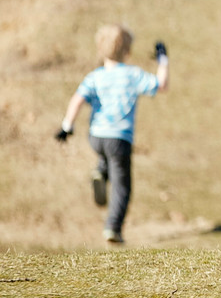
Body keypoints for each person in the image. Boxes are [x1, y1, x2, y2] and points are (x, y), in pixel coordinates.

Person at [54, 24, 170, 244]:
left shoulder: (95, 77)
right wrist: (163, 60)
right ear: (127, 50)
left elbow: (77, 99)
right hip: (120, 137)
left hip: (96, 136)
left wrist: (67, 126)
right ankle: (113, 228)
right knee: (122, 185)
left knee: (107, 156)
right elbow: (161, 85)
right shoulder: (132, 75)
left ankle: (101, 170)